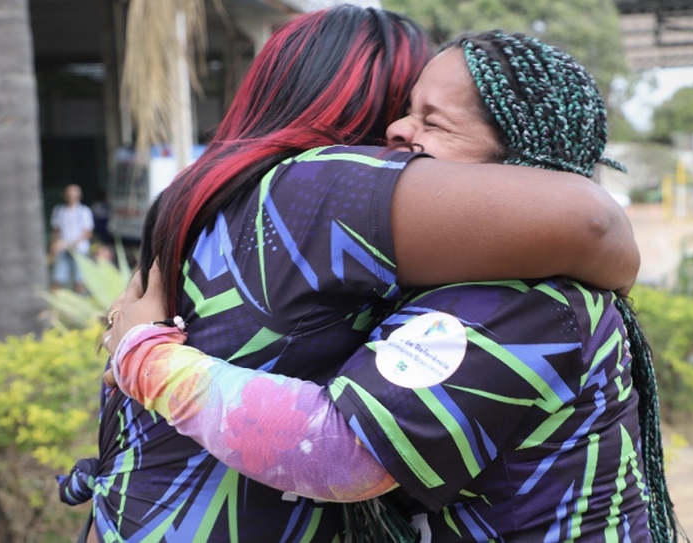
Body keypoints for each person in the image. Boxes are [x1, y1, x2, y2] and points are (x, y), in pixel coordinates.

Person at [60, 7, 641, 542]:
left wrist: (139, 354)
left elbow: (340, 452)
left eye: (428, 121)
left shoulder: (200, 193)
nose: (394, 135)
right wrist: (141, 355)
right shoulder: (327, 187)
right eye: (399, 109)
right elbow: (593, 224)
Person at [50, 184, 93, 293]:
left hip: (80, 250)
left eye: (75, 193)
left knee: (80, 280)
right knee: (57, 278)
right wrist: (54, 245)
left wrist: (72, 243)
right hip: (63, 250)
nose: (72, 195)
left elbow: (87, 232)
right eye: (69, 193)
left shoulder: (84, 211)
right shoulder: (59, 210)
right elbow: (56, 230)